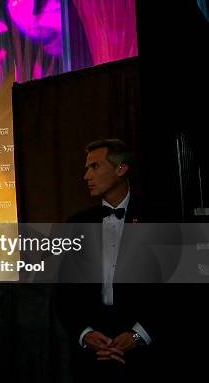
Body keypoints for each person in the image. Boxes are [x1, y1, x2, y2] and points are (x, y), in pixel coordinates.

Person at [56, 139, 178, 382]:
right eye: (86, 168)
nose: (86, 176)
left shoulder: (160, 218)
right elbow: (65, 291)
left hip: (146, 349)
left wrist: (138, 335)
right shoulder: (76, 224)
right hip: (92, 348)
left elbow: (175, 289)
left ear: (121, 169)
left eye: (95, 167)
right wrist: (85, 334)